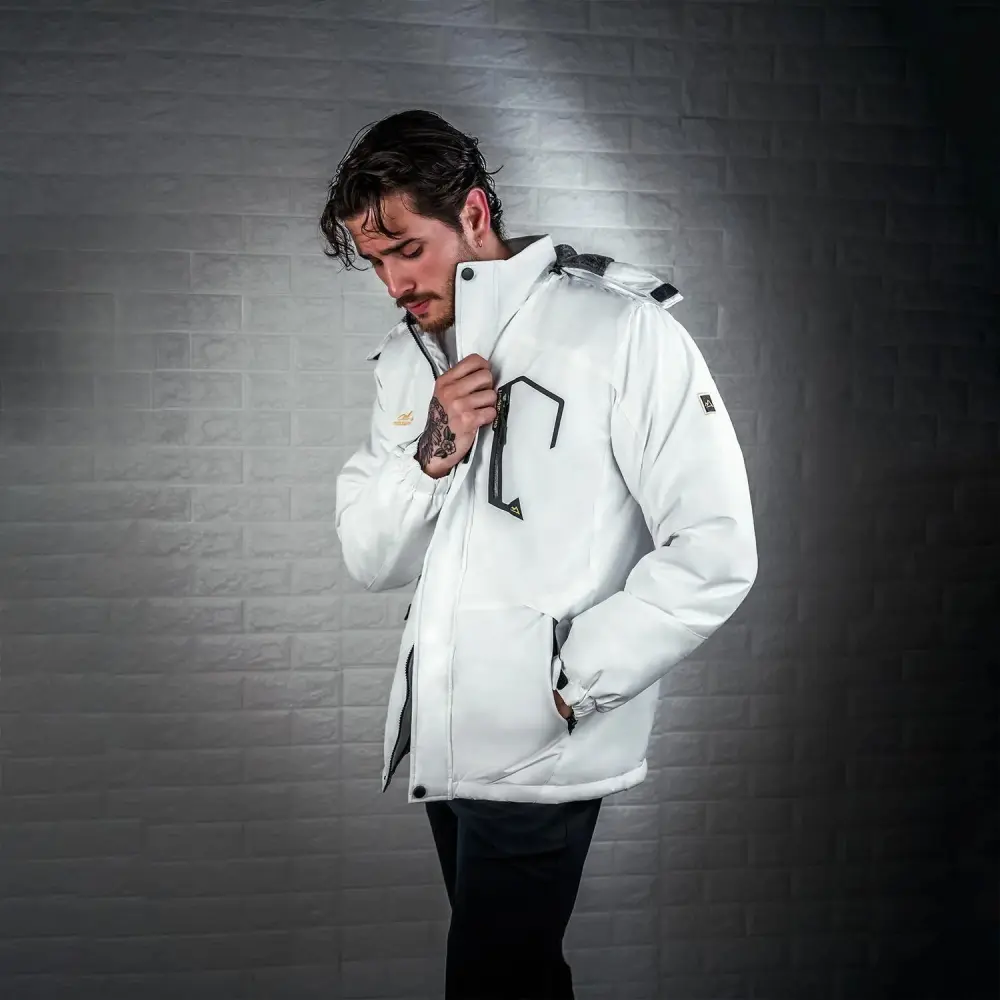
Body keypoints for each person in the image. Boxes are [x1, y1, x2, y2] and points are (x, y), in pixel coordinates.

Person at [324, 109, 758, 999]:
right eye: (375, 261)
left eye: (406, 249)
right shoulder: (407, 360)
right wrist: (433, 454)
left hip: (542, 743)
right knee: (514, 977)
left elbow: (716, 548)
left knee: (493, 978)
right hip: (446, 740)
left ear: (474, 213)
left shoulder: (618, 331)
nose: (395, 282)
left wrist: (571, 683)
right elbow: (370, 557)